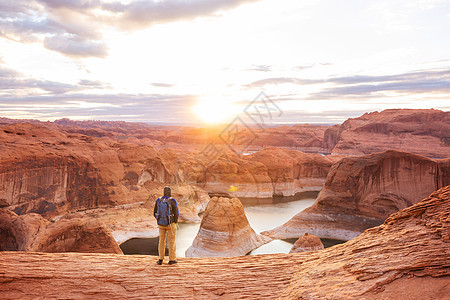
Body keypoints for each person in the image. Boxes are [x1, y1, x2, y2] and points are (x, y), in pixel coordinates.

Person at [153, 186, 179, 265]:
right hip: (170, 224)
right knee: (171, 241)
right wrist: (174, 221)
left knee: (161, 241)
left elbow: (154, 212)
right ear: (170, 192)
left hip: (161, 224)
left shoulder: (158, 200)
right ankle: (171, 259)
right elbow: (176, 213)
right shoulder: (172, 200)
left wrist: (159, 220)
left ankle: (160, 259)